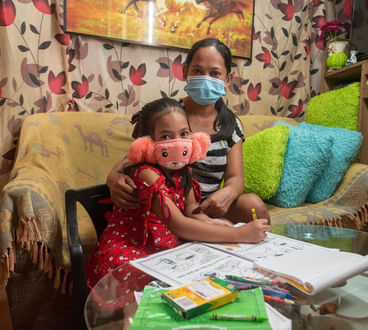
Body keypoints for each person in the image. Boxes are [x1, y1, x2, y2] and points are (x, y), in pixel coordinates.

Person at [86, 98, 271, 290]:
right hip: (132, 247)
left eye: (183, 134)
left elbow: (190, 208)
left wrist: (210, 221)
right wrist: (238, 234)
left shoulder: (182, 170)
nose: (177, 143)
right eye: (166, 137)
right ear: (147, 144)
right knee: (143, 292)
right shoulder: (146, 174)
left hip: (164, 243)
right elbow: (179, 224)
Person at [107, 38, 270, 224]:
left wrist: (228, 193)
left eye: (215, 73)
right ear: (185, 72)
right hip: (166, 206)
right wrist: (113, 178)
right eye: (197, 71)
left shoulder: (231, 125)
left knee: (253, 205)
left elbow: (235, 177)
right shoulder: (166, 114)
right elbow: (136, 156)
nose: (206, 78)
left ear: (228, 79)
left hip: (207, 209)